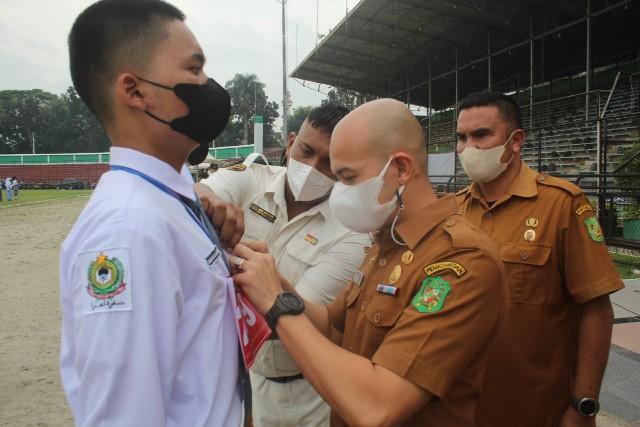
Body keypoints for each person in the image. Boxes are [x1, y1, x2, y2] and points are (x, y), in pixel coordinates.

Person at [230, 98, 508, 427]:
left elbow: (377, 406)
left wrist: (276, 305)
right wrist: (275, 283)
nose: (338, 192)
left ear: (401, 169)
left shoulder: (461, 261)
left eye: (347, 178)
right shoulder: (386, 243)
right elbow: (331, 324)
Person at [59, 1, 245, 425]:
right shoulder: (127, 230)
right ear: (135, 91)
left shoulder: (171, 202)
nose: (208, 85)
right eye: (194, 70)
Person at [455, 90, 625, 427]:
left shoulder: (562, 204)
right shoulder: (453, 210)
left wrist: (583, 404)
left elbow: (595, 308)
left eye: (481, 135)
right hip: (460, 407)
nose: (468, 148)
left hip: (535, 409)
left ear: (515, 141)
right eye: (461, 137)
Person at [198, 104, 371, 427]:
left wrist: (235, 259)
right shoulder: (253, 177)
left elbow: (291, 317)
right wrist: (208, 202)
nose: (312, 168)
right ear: (291, 143)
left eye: (328, 163)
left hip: (311, 391)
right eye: (306, 151)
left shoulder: (351, 233)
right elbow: (199, 192)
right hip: (252, 379)